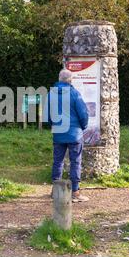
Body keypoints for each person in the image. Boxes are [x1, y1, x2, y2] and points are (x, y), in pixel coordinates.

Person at [46, 69, 89, 203]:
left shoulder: (51, 94)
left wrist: (53, 125)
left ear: (59, 79)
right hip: (74, 134)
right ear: (70, 80)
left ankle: (56, 190)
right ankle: (75, 192)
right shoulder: (75, 93)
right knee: (75, 161)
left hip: (58, 132)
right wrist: (83, 127)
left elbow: (47, 114)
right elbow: (83, 114)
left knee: (58, 161)